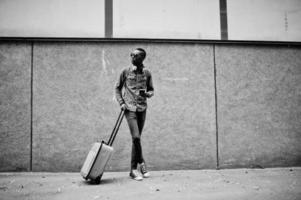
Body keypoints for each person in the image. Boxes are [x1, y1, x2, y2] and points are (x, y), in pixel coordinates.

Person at [115, 48, 154, 181]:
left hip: (142, 109)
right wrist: (121, 102)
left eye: (135, 55)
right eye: (131, 54)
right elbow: (117, 88)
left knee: (135, 139)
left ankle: (133, 170)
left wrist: (148, 94)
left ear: (142, 58)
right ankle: (142, 164)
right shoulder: (125, 71)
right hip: (130, 109)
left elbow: (151, 90)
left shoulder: (147, 73)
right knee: (136, 137)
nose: (131, 56)